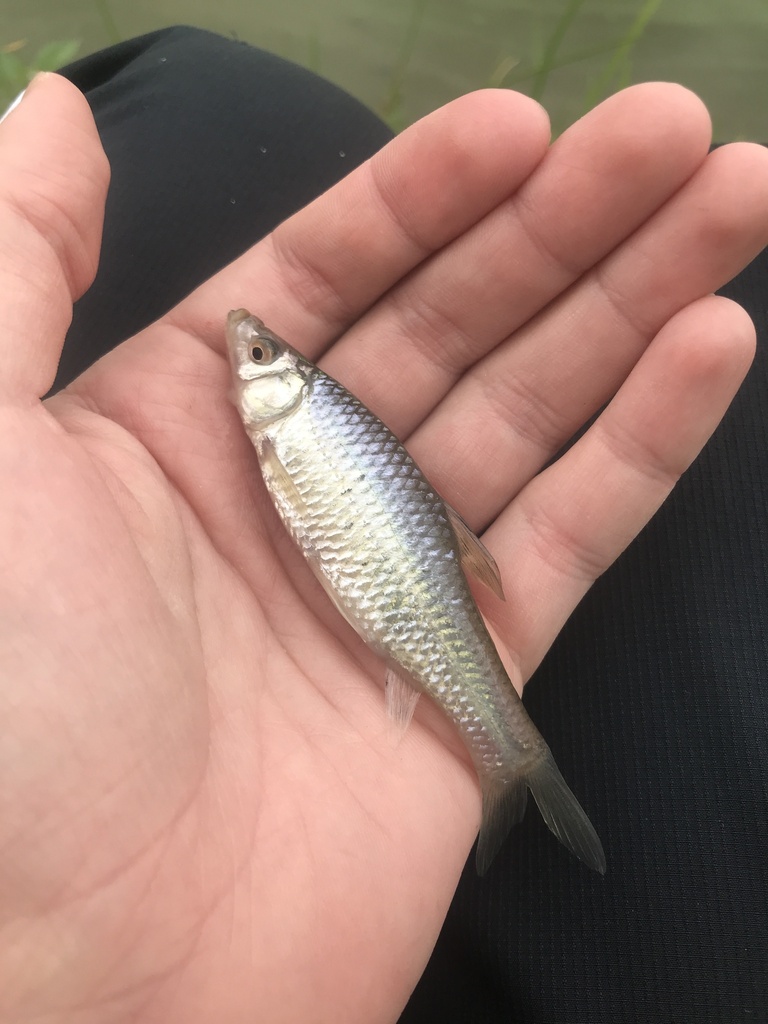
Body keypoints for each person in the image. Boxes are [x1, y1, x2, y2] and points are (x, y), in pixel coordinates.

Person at [1, 26, 766, 1023]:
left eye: (266, 359)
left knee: (202, 88)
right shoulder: (278, 426)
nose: (249, 354)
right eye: (267, 358)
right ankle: (512, 762)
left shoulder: (288, 426)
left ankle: (512, 759)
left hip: (397, 587)